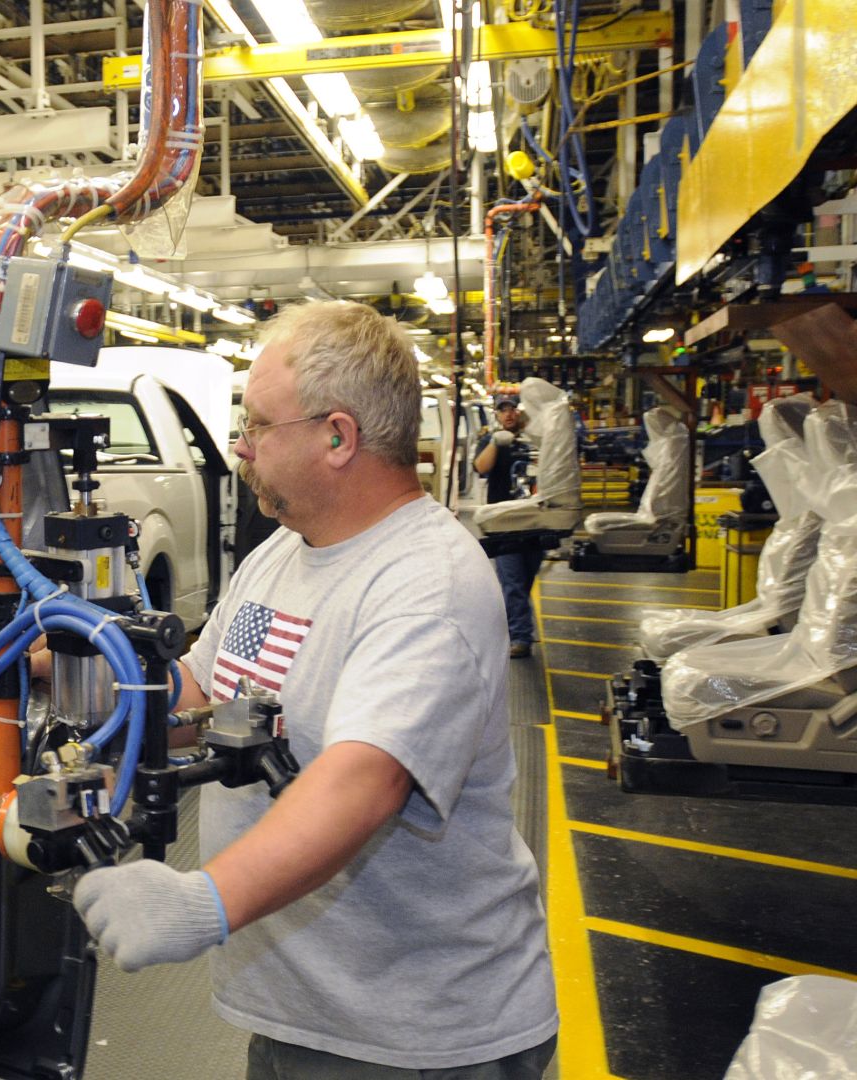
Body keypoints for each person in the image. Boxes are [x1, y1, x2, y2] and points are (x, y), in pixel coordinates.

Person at [65, 301, 557, 1078]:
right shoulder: (284, 555)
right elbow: (201, 689)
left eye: (259, 425)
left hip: (416, 1038)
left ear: (338, 435)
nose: (240, 446)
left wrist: (203, 902)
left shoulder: (427, 580)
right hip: (304, 1015)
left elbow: (366, 780)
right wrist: (73, 668)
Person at [474, 397, 542, 658]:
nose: (509, 414)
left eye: (513, 409)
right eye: (503, 410)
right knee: (512, 580)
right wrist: (495, 441)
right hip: (505, 524)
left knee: (523, 581)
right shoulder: (492, 441)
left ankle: (517, 623)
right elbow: (481, 467)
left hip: (535, 522)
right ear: (497, 415)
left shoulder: (532, 440)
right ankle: (520, 636)